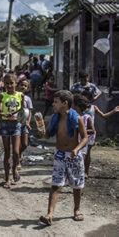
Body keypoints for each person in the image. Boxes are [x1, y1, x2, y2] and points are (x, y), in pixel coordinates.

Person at [39, 90, 88, 226]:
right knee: (56, 184)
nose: (53, 104)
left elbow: (85, 137)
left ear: (65, 103)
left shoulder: (76, 118)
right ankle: (50, 214)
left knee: (77, 185)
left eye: (56, 102)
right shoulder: (55, 118)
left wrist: (76, 149)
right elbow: (47, 135)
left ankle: (76, 210)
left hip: (74, 156)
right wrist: (41, 131)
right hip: (60, 154)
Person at [79, 91, 119, 177]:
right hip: (80, 132)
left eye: (84, 97)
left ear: (89, 99)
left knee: (87, 153)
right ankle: (79, 171)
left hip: (90, 133)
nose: (83, 98)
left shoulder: (94, 107)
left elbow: (104, 116)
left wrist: (113, 111)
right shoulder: (79, 107)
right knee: (80, 152)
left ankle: (86, 172)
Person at [0, 73, 24, 188]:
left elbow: (22, 108)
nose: (9, 85)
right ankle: (7, 178)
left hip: (16, 124)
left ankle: (15, 168)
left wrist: (19, 117)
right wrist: (3, 114)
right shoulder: (2, 95)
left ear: (16, 83)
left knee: (16, 152)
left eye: (11, 83)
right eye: (7, 83)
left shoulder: (20, 95)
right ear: (4, 84)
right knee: (7, 152)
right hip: (5, 125)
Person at [17, 79, 33, 168]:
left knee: (25, 144)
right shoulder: (15, 96)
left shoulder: (28, 99)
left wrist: (28, 122)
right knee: (18, 143)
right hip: (17, 123)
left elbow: (30, 112)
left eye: (25, 86)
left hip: (25, 124)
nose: (23, 87)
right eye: (22, 85)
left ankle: (19, 153)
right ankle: (18, 159)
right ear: (18, 85)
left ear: (27, 88)